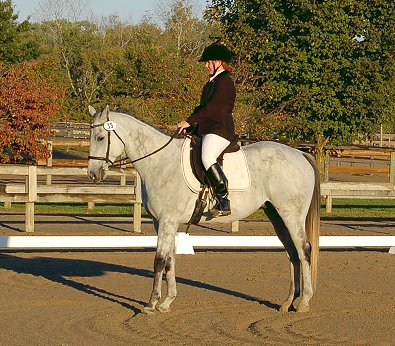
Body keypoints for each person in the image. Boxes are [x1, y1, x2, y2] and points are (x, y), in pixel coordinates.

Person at [177, 42, 237, 217]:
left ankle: (223, 199)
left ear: (218, 62)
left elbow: (214, 109)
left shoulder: (225, 82)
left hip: (220, 129)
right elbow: (203, 107)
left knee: (207, 156)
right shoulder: (212, 82)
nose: (206, 65)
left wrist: (191, 121)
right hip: (208, 128)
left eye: (208, 62)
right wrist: (186, 122)